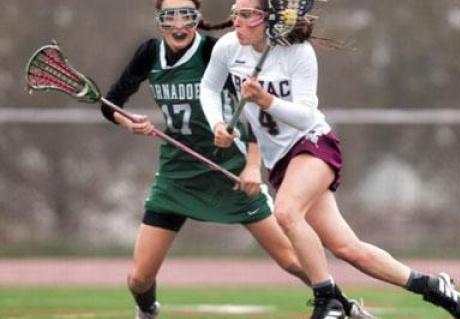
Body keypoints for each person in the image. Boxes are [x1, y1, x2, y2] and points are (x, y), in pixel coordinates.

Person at [100, 0, 373, 318]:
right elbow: (111, 104)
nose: (178, 25)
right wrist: (129, 122)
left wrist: (253, 165)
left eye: (186, 16)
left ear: (197, 18)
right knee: (139, 278)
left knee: (291, 260)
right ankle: (148, 311)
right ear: (158, 20)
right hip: (178, 172)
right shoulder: (150, 53)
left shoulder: (217, 51)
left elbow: (254, 112)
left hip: (230, 168)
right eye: (169, 16)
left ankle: (342, 306)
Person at [200, 0, 460, 318]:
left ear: (270, 19)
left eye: (247, 15)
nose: (237, 22)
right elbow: (209, 87)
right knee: (347, 248)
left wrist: (266, 100)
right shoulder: (229, 49)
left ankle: (328, 299)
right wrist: (217, 123)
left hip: (312, 144)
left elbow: (304, 117)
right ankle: (432, 286)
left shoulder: (298, 54)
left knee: (286, 213)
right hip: (280, 161)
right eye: (236, 14)